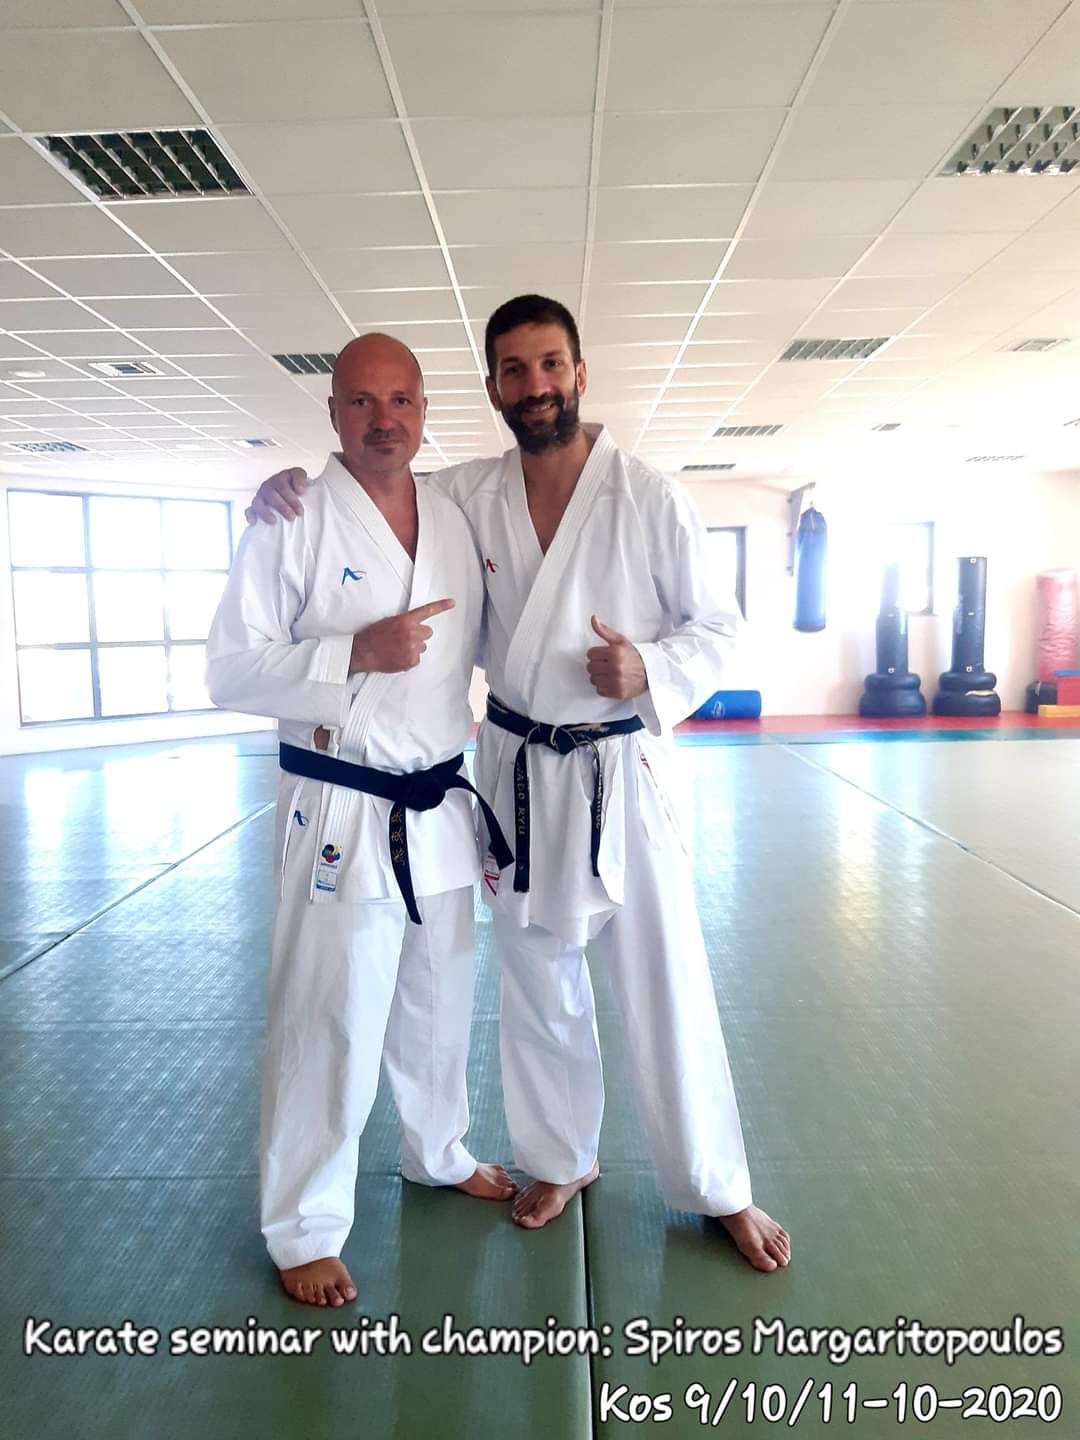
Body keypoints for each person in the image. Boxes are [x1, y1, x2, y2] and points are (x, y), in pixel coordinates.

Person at [246, 298, 791, 1273]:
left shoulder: (650, 498)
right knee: (537, 980)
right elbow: (379, 487)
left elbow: (720, 629)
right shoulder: (470, 493)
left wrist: (653, 669)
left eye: (549, 365)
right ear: (493, 387)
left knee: (664, 977)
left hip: (621, 765)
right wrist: (287, 492)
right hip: (514, 767)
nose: (533, 386)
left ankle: (719, 1185)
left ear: (580, 373)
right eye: (512, 370)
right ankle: (560, 1158)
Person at [207, 333, 516, 1310]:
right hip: (341, 802)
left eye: (401, 401)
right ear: (333, 411)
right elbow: (228, 670)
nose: (384, 420)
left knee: (440, 1001)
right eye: (362, 402)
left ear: (425, 409)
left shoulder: (455, 515)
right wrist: (351, 655)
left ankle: (437, 1150)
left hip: (438, 801)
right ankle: (303, 1225)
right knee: (328, 1016)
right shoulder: (292, 517)